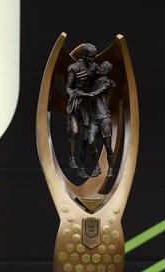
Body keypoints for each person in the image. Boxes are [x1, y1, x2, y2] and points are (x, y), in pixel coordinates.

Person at [65, 43, 99, 178]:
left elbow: (101, 79)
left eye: (94, 57)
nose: (93, 59)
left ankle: (82, 167)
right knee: (74, 131)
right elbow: (68, 87)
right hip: (76, 105)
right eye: (90, 57)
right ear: (84, 56)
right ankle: (71, 157)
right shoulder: (73, 68)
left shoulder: (95, 67)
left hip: (88, 106)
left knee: (85, 139)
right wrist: (75, 94)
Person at [87, 61, 117, 177]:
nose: (100, 67)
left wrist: (90, 93)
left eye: (103, 67)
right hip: (94, 119)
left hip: (104, 117)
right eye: (101, 65)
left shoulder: (107, 82)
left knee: (108, 145)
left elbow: (97, 93)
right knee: (91, 141)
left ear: (107, 71)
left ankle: (111, 168)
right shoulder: (94, 81)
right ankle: (96, 167)